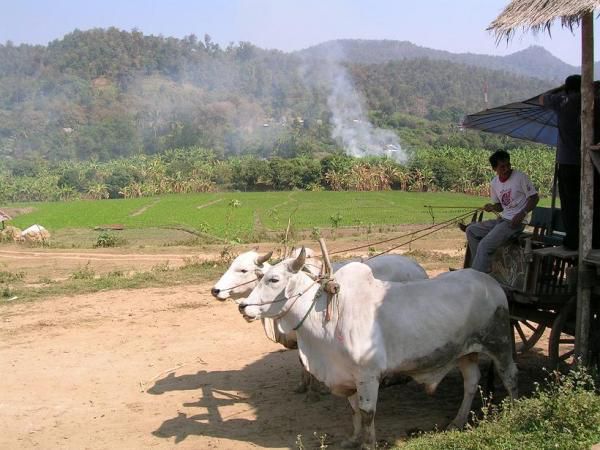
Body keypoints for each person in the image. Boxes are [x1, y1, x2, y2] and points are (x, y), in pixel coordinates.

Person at [465, 150, 539, 273]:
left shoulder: (520, 177)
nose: (506, 169)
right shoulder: (494, 183)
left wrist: (522, 214)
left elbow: (534, 198)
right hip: (502, 220)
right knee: (471, 230)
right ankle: (483, 267)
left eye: (508, 165)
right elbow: (500, 206)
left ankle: (477, 275)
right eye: (502, 167)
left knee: (484, 245)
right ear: (495, 169)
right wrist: (492, 207)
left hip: (515, 223)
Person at [539, 74, 582, 250]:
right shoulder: (588, 99)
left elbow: (542, 99)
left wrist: (559, 90)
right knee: (585, 202)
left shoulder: (561, 101)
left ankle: (572, 239)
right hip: (585, 162)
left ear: (567, 88)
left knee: (568, 204)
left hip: (566, 161)